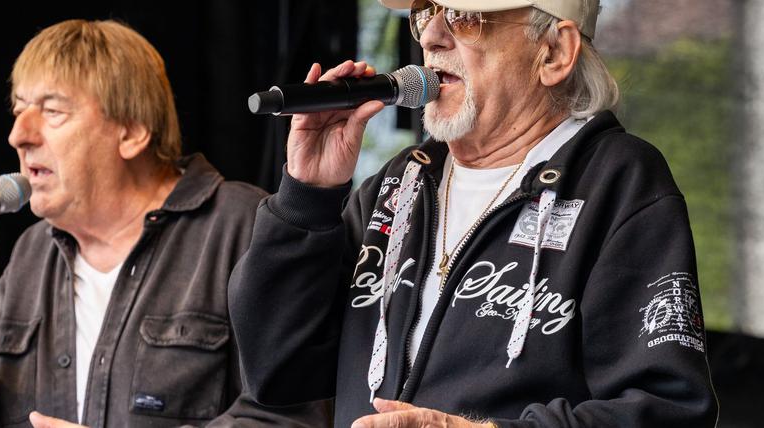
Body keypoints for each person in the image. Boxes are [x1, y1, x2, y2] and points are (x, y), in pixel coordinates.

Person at [228, 0, 718, 427]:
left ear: (553, 53)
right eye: (425, 14)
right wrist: (306, 197)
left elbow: (667, 410)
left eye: (463, 17)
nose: (432, 36)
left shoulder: (618, 182)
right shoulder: (403, 182)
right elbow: (278, 368)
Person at [0, 19, 329, 428]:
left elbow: (291, 415)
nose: (19, 134)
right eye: (18, 110)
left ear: (131, 132)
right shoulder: (33, 252)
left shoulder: (243, 226)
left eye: (52, 110)